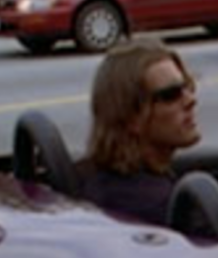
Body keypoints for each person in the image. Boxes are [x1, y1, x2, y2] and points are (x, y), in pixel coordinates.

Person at [77, 37, 201, 226]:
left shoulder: (94, 178)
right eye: (171, 95)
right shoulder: (158, 209)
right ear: (130, 117)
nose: (191, 100)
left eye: (187, 87)